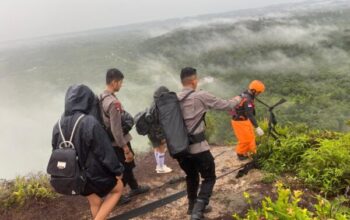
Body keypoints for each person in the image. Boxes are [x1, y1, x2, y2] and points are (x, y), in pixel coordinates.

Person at [177, 67, 242, 220]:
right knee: (209, 177)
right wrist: (240, 97)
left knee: (191, 176)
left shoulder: (173, 99)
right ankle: (198, 211)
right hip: (198, 148)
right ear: (194, 81)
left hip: (180, 150)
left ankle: (192, 206)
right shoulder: (200, 95)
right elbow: (227, 105)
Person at [51, 84, 124, 220]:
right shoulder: (89, 122)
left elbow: (55, 149)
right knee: (118, 188)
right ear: (88, 101)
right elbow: (105, 151)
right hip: (93, 175)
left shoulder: (58, 124)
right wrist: (117, 171)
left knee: (95, 201)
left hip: (73, 176)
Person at [99, 68, 150, 201]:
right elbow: (116, 129)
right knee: (120, 170)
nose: (121, 85)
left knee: (127, 167)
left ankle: (134, 188)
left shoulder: (102, 97)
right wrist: (125, 147)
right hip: (118, 141)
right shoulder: (113, 103)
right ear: (114, 82)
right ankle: (116, 197)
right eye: (121, 82)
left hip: (110, 140)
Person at [231, 80, 265, 160]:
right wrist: (257, 127)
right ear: (253, 90)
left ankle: (252, 152)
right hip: (239, 121)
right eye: (258, 92)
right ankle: (240, 154)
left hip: (243, 120)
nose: (259, 94)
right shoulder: (248, 100)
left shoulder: (245, 94)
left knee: (251, 137)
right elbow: (250, 114)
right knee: (245, 140)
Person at [147, 86, 172, 174]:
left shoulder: (153, 104)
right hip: (157, 132)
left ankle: (159, 165)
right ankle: (161, 167)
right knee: (161, 148)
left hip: (150, 132)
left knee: (156, 148)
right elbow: (160, 123)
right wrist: (162, 136)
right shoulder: (160, 106)